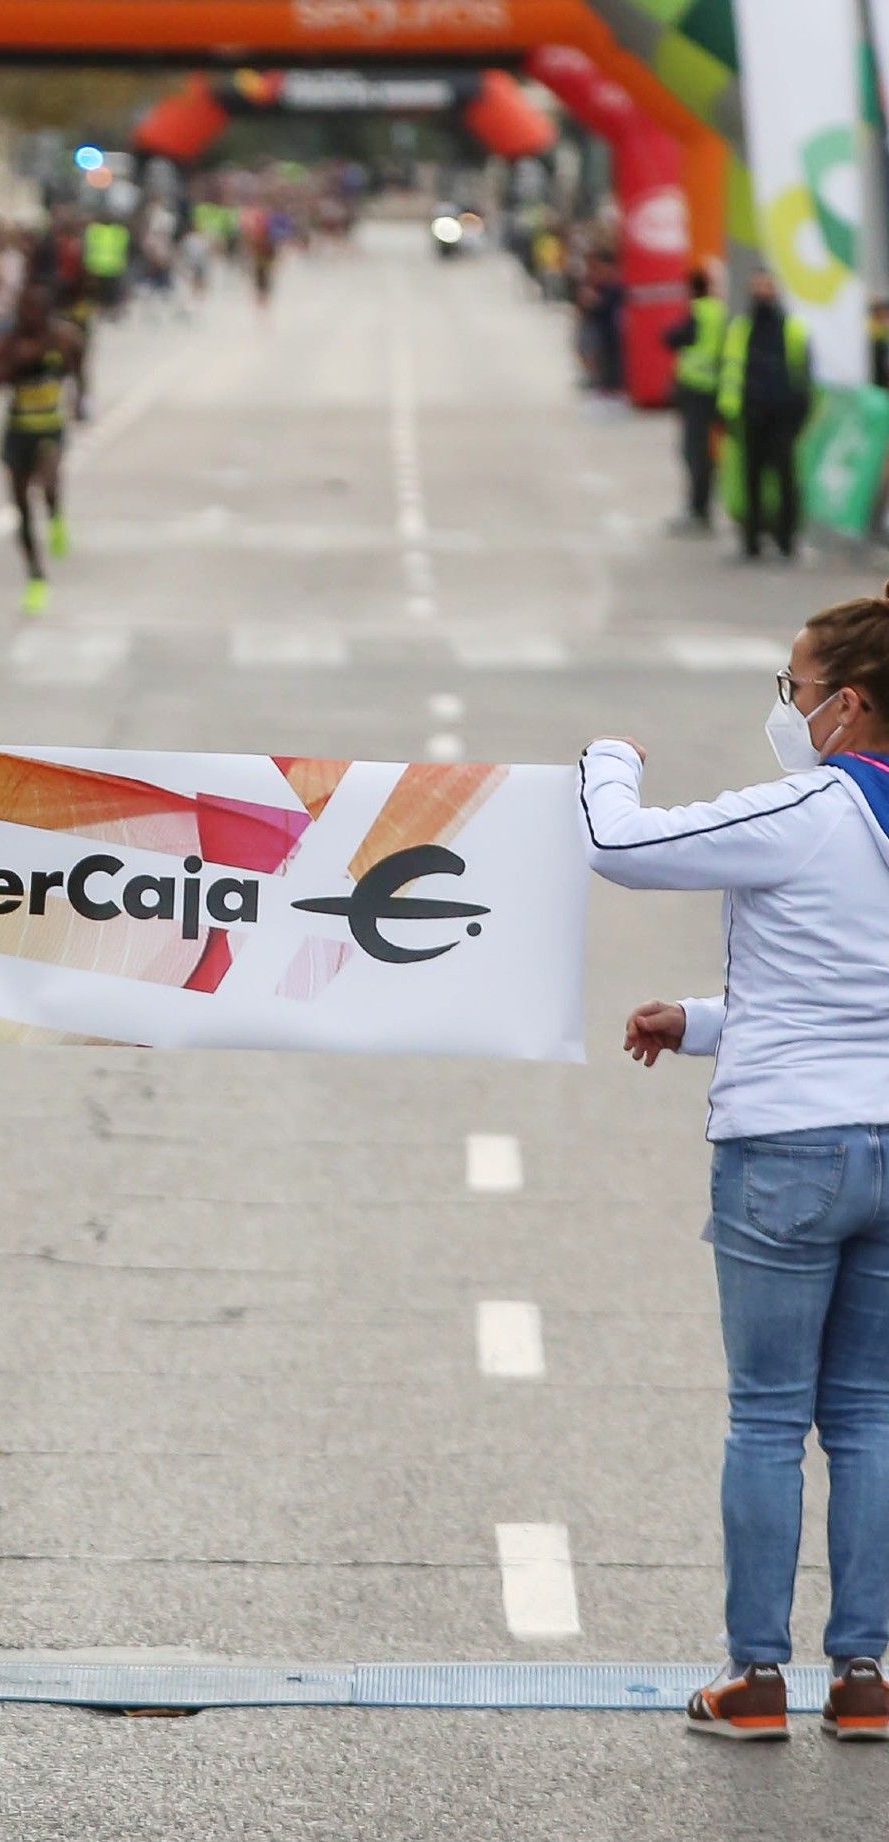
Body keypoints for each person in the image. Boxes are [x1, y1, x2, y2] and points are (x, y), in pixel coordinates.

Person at [587, 587, 889, 1743]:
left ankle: (755, 1681)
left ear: (846, 705)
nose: (789, 707)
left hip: (786, 1150)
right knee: (866, 1418)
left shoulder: (806, 808)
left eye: (796, 690)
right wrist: (704, 1020)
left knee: (767, 1418)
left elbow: (617, 843)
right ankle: (862, 1679)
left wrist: (604, 759)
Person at [0, 281, 84, 618]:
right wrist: (6, 369)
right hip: (17, 432)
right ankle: (36, 575)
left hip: (50, 428)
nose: (30, 318)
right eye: (24, 311)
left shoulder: (63, 340)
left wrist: (81, 400)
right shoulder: (7, 345)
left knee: (48, 480)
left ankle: (55, 516)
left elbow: (78, 371)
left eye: (36, 311)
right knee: (22, 508)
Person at [720, 270, 812, 563]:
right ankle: (752, 541)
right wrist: (729, 411)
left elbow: (803, 373)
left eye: (767, 285)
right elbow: (730, 369)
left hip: (782, 415)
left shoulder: (792, 328)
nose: (762, 291)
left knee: (786, 479)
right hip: (751, 414)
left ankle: (786, 540)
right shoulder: (740, 328)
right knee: (752, 480)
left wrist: (798, 413)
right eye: (757, 285)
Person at [664, 267, 727, 534]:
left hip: (695, 390)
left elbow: (673, 338)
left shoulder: (699, 312)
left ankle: (698, 510)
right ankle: (701, 508)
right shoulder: (721, 312)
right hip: (716, 390)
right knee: (704, 453)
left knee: (694, 453)